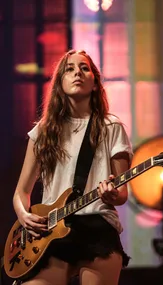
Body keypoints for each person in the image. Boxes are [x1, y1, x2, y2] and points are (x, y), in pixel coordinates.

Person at [12, 49, 133, 285]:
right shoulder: (44, 131)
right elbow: (21, 192)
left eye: (84, 68)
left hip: (97, 227)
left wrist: (112, 194)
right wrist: (24, 216)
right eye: (69, 68)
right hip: (52, 231)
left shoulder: (111, 126)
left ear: (95, 83)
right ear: (59, 83)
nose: (77, 72)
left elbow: (122, 195)